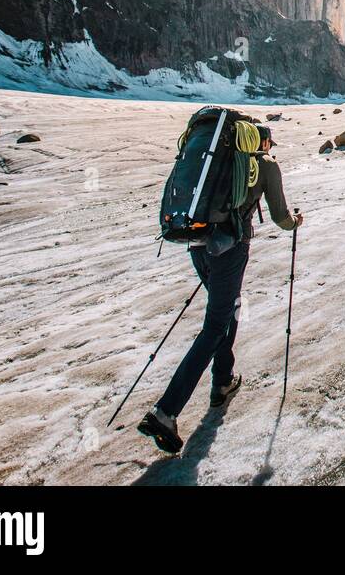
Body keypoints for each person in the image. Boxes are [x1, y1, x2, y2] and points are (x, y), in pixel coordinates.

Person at [138, 124, 303, 454]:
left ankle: (223, 381)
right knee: (215, 325)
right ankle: (166, 412)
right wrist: (296, 222)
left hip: (198, 243)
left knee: (227, 311)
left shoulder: (217, 161)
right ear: (262, 141)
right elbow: (280, 216)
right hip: (230, 250)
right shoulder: (266, 165)